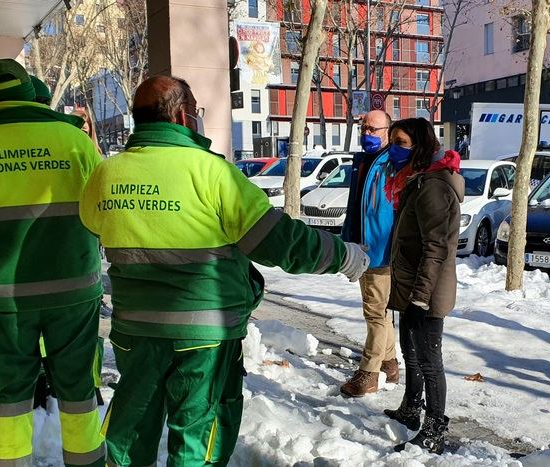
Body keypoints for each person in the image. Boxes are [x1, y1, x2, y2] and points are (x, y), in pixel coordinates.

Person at [79, 75, 369, 466]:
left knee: (131, 426)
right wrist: (343, 256)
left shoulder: (106, 174)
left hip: (135, 328)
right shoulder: (211, 173)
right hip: (205, 333)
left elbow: (94, 225)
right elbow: (277, 240)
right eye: (196, 110)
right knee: (200, 432)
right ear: (184, 116)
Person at [0, 59, 106, 466]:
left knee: (9, 393)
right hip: (73, 291)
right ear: (29, 91)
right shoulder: (74, 141)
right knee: (79, 387)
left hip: (4, 295)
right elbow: (102, 210)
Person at [382, 118, 464, 454]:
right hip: (411, 286)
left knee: (430, 360)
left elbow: (436, 248)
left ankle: (435, 429)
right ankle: (410, 408)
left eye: (400, 142)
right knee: (410, 353)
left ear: (420, 145)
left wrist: (419, 301)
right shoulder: (415, 180)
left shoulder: (432, 186)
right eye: (392, 141)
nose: (393, 149)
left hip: (426, 292)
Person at [339, 110, 399, 396]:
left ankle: (369, 373)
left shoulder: (393, 162)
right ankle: (389, 364)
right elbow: (356, 207)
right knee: (380, 311)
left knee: (375, 313)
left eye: (374, 129)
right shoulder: (363, 160)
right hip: (362, 247)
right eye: (364, 127)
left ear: (388, 130)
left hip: (380, 251)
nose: (367, 134)